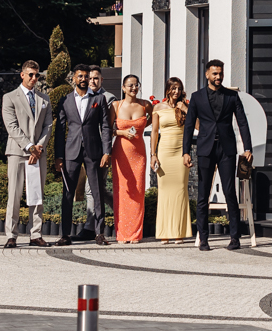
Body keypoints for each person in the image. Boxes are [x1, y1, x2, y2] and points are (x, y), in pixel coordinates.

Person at [181, 60, 252, 252]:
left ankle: (235, 238)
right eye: (214, 73)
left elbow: (242, 122)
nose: (218, 77)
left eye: (220, 73)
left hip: (226, 149)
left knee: (230, 193)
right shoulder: (197, 97)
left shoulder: (232, 96)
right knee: (203, 195)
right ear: (207, 75)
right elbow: (189, 125)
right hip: (205, 149)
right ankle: (203, 239)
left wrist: (247, 148)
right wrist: (185, 152)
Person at [55, 63, 112, 246]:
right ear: (74, 78)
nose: (84, 79)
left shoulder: (99, 99)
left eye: (86, 76)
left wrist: (106, 151)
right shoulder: (65, 100)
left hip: (93, 151)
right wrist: (59, 156)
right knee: (67, 193)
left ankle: (99, 233)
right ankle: (65, 234)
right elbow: (60, 129)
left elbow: (105, 127)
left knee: (97, 192)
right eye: (80, 76)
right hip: (71, 152)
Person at [0, 60, 53, 248]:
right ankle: (11, 235)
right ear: (22, 74)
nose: (34, 78)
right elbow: (11, 127)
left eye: (37, 75)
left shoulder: (44, 99)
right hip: (17, 152)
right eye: (30, 74)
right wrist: (30, 147)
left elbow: (48, 126)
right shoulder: (9, 97)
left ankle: (36, 234)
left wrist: (39, 147)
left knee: (37, 195)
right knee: (14, 195)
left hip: (38, 153)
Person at [151, 77, 191, 243]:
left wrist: (186, 109)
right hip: (164, 152)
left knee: (180, 191)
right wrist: (153, 154)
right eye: (173, 88)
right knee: (164, 192)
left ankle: (178, 232)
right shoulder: (158, 108)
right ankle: (164, 233)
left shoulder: (186, 106)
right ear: (167, 90)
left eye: (179, 89)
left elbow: (198, 126)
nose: (176, 92)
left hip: (181, 153)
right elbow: (154, 132)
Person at [111, 74, 150, 243]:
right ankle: (122, 233)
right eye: (130, 85)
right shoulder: (116, 106)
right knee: (122, 191)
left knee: (138, 191)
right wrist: (122, 132)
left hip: (139, 153)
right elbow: (108, 129)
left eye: (136, 85)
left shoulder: (145, 105)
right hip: (121, 152)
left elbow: (152, 121)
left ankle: (135, 234)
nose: (134, 88)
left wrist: (140, 128)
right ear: (123, 88)